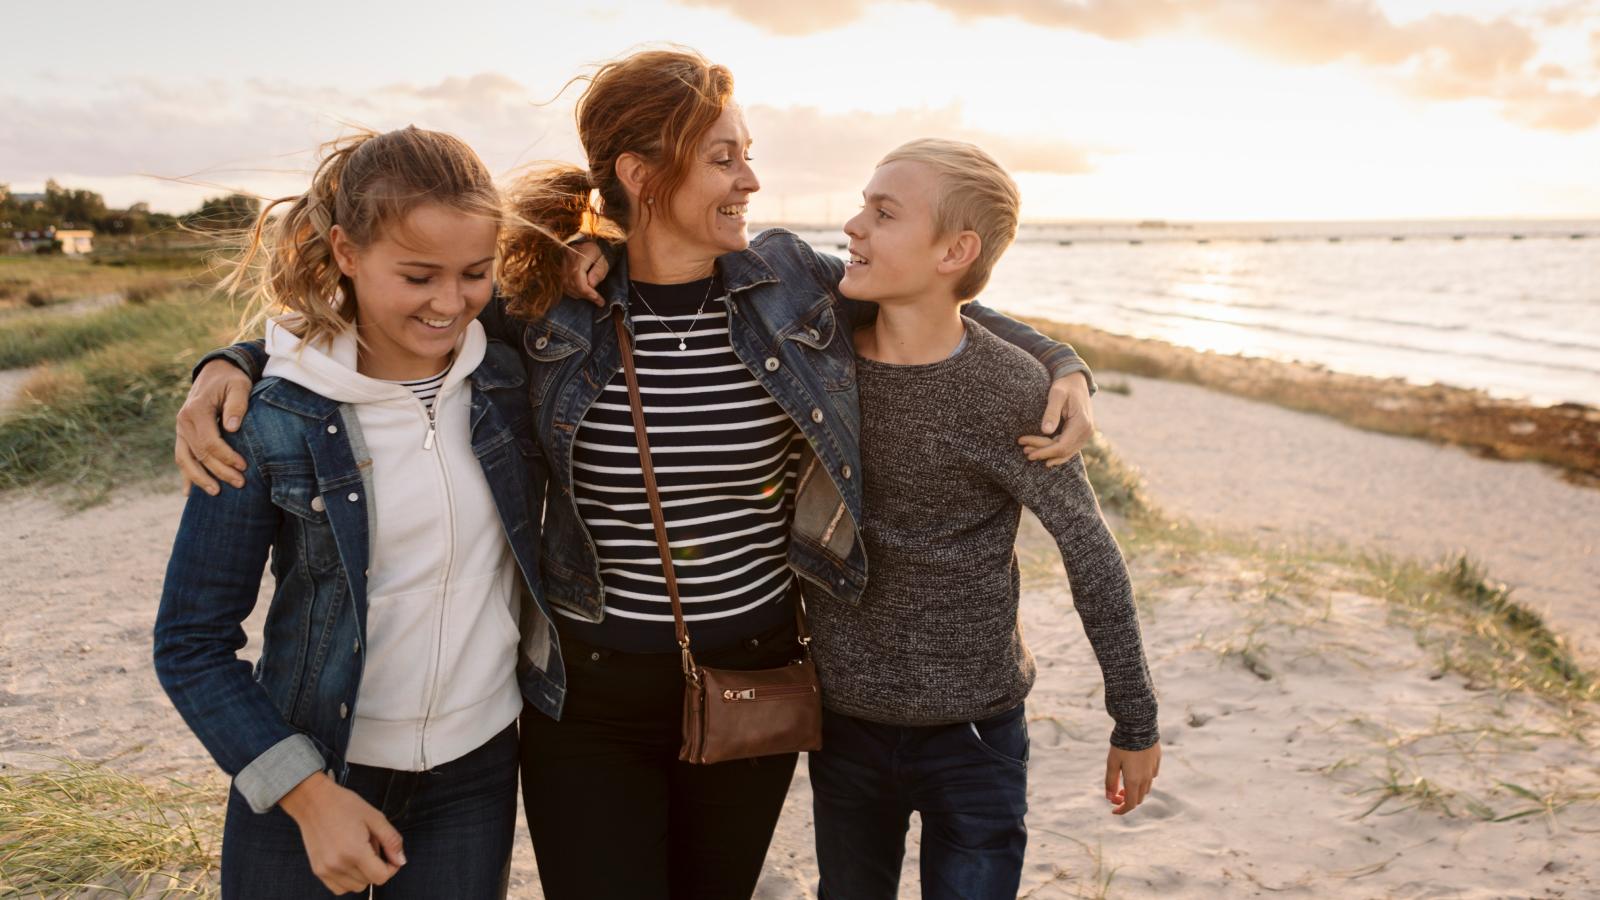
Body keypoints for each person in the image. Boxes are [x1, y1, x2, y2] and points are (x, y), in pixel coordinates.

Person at [173, 49, 1100, 900]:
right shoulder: (547, 305)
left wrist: (1063, 362)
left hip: (755, 680)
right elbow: (382, 318)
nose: (752, 177)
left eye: (749, 153)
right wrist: (239, 361)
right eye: (725, 157)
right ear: (642, 175)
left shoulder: (785, 281)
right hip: (589, 700)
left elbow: (928, 297)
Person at [153, 126, 565, 899]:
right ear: (346, 251)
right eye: (417, 276)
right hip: (309, 768)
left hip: (474, 772)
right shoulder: (272, 420)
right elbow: (190, 643)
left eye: (476, 273)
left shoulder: (509, 381)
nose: (451, 304)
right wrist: (308, 797)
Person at [800, 139, 1162, 899]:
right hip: (842, 726)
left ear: (954, 250)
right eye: (864, 204)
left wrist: (1135, 722)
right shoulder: (817, 353)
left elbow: (1090, 552)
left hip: (975, 735)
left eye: (883, 212)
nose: (852, 225)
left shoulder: (1006, 388)